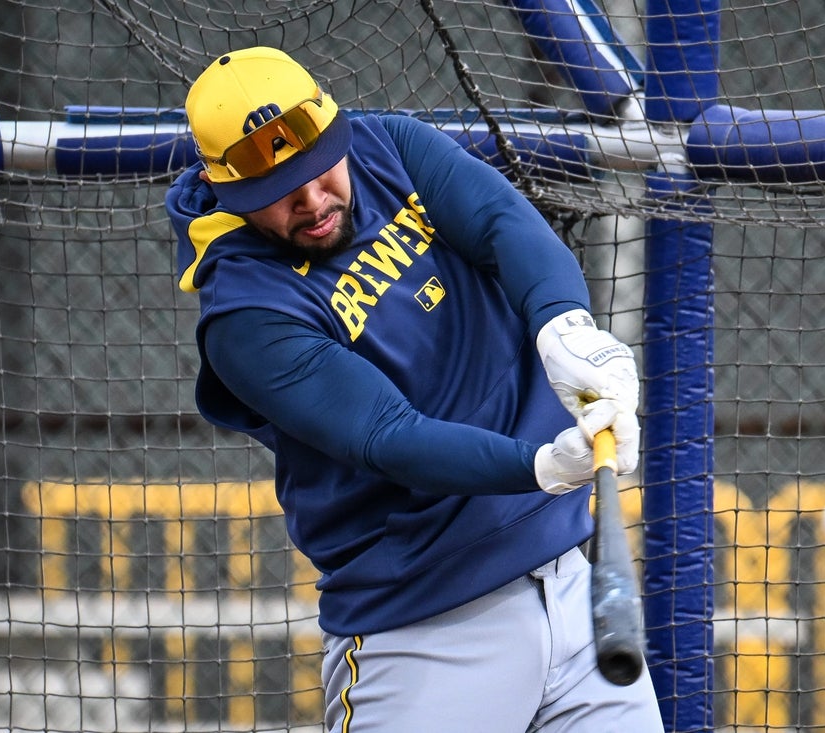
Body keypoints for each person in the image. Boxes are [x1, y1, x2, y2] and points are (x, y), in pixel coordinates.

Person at [166, 46, 663, 733]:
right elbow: (388, 436)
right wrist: (542, 467)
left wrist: (564, 328)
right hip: (420, 631)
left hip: (572, 589)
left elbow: (503, 223)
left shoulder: (388, 147)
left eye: (317, 169)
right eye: (276, 192)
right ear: (219, 185)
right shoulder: (244, 314)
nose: (311, 201)